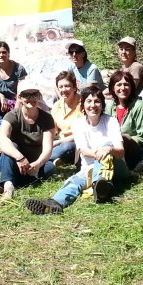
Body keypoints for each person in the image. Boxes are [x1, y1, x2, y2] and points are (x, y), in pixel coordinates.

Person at [26, 86, 127, 215]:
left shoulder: (111, 121)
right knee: (75, 182)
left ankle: (101, 183)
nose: (93, 105)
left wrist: (109, 149)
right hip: (89, 169)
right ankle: (54, 203)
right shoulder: (78, 124)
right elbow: (83, 150)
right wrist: (98, 154)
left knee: (106, 145)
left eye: (97, 101)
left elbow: (121, 151)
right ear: (83, 105)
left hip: (116, 168)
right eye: (89, 101)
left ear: (102, 104)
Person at [0, 81, 55, 200]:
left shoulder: (47, 118)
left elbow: (48, 147)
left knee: (50, 168)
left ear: (39, 97)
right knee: (12, 146)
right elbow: (2, 139)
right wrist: (20, 158)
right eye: (26, 95)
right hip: (13, 161)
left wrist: (37, 164)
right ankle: (8, 187)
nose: (31, 98)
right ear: (19, 98)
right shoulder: (11, 116)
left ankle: (9, 180)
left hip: (34, 164)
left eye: (34, 94)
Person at [105, 69, 143, 168]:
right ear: (113, 88)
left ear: (131, 87)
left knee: (122, 138)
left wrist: (121, 140)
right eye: (118, 84)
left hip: (132, 150)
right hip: (111, 146)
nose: (123, 88)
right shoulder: (109, 106)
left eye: (126, 84)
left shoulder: (139, 106)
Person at [49, 70, 82, 168]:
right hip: (61, 142)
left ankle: (42, 160)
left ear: (74, 87)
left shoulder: (83, 104)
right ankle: (59, 159)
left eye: (67, 86)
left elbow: (81, 133)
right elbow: (53, 130)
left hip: (77, 143)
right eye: (61, 87)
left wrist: (58, 142)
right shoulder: (57, 106)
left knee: (67, 147)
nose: (64, 90)